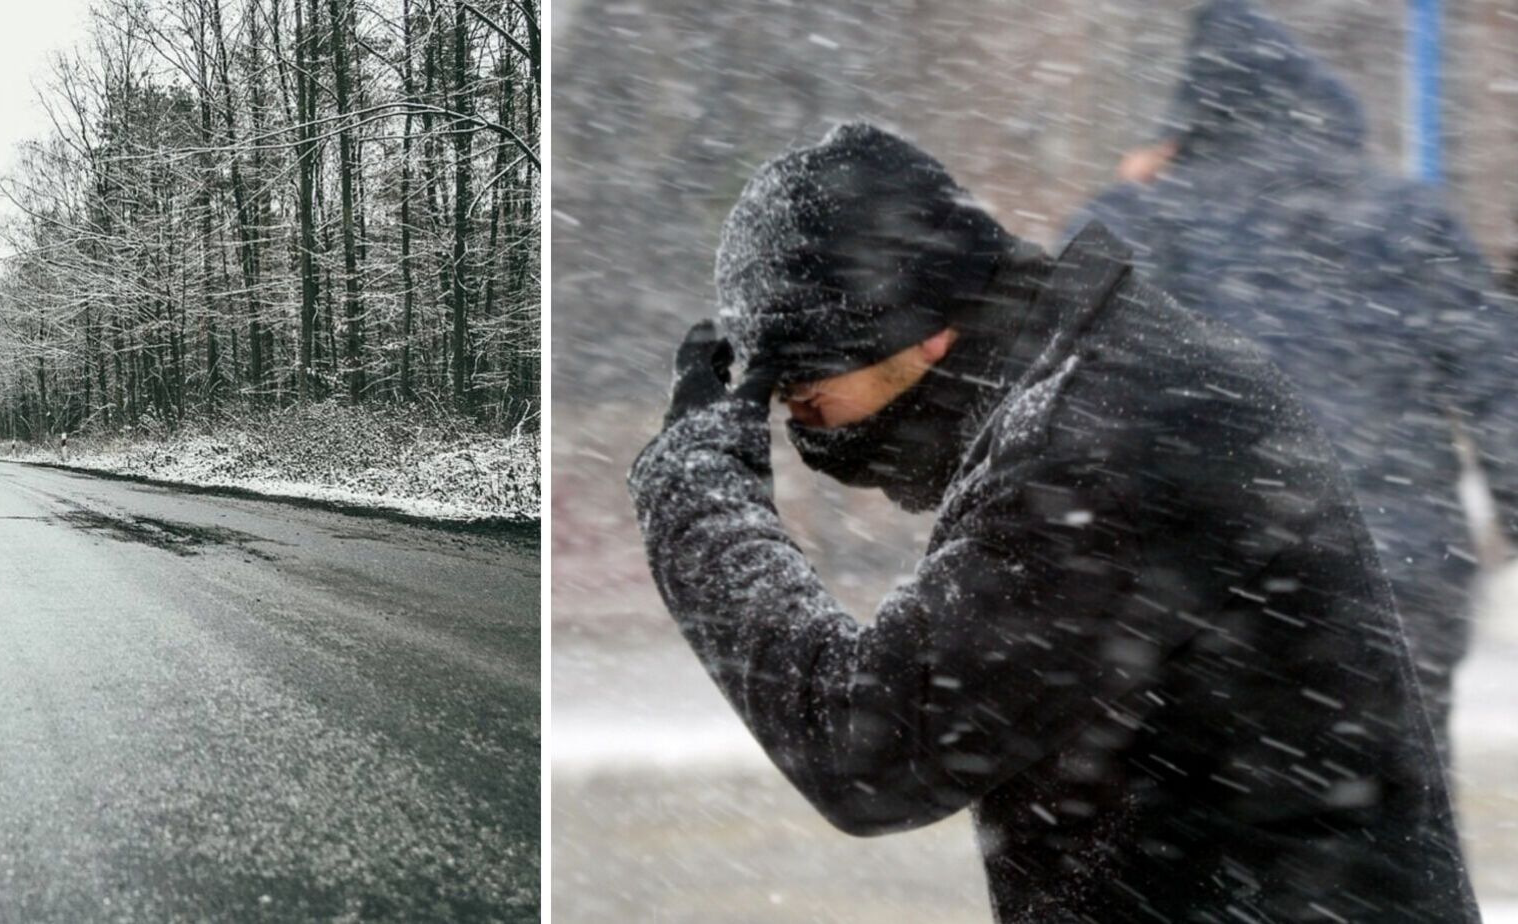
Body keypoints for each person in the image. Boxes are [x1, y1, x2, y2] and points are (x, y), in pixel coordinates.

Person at [627, 122, 1479, 922]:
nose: (793, 419)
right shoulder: (1101, 382)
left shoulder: (1102, 440)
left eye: (805, 388)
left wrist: (698, 497)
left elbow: (870, 749)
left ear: (921, 331)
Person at [1070, 0, 1516, 756]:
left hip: (1203, 598)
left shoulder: (1142, 224)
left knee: (1206, 833)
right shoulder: (1410, 219)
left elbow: (1058, 396)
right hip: (1395, 587)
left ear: (1190, 116)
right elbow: (1500, 386)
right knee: (1399, 830)